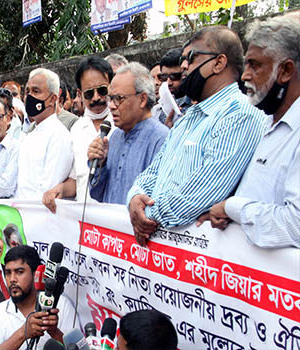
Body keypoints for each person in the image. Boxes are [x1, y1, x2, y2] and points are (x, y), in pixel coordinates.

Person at [127, 26, 266, 245]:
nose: (183, 66)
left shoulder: (240, 114)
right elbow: (153, 172)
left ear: (219, 63)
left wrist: (146, 216)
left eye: (190, 58)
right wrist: (135, 198)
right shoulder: (188, 117)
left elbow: (200, 195)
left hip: (196, 259)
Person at [196, 16, 300, 248]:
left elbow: (295, 226)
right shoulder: (264, 122)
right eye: (245, 65)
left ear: (285, 70)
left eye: (255, 65)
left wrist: (232, 208)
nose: (245, 76)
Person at [87, 62, 169, 204]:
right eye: (110, 99)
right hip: (110, 224)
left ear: (142, 99)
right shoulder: (114, 137)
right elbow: (97, 195)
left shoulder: (161, 139)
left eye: (118, 99)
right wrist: (101, 164)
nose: (111, 106)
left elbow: (156, 201)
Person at [0, 245, 77, 350]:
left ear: (36, 275)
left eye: (19, 272)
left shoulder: (61, 305)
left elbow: (78, 347)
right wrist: (23, 333)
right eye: (8, 273)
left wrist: (54, 332)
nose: (12, 279)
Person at [49, 56, 114, 205]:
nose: (96, 98)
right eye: (89, 94)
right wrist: (60, 190)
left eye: (102, 90)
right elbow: (76, 180)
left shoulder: (123, 125)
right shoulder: (76, 130)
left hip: (116, 217)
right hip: (86, 220)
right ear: (79, 94)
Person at [15, 68, 73, 200]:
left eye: (36, 91)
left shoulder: (59, 135)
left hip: (41, 214)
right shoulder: (28, 136)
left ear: (53, 99)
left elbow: (48, 189)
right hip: (21, 214)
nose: (29, 97)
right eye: (27, 92)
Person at [156, 48, 193, 127]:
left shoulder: (195, 104)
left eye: (175, 76)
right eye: (164, 77)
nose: (169, 82)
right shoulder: (163, 107)